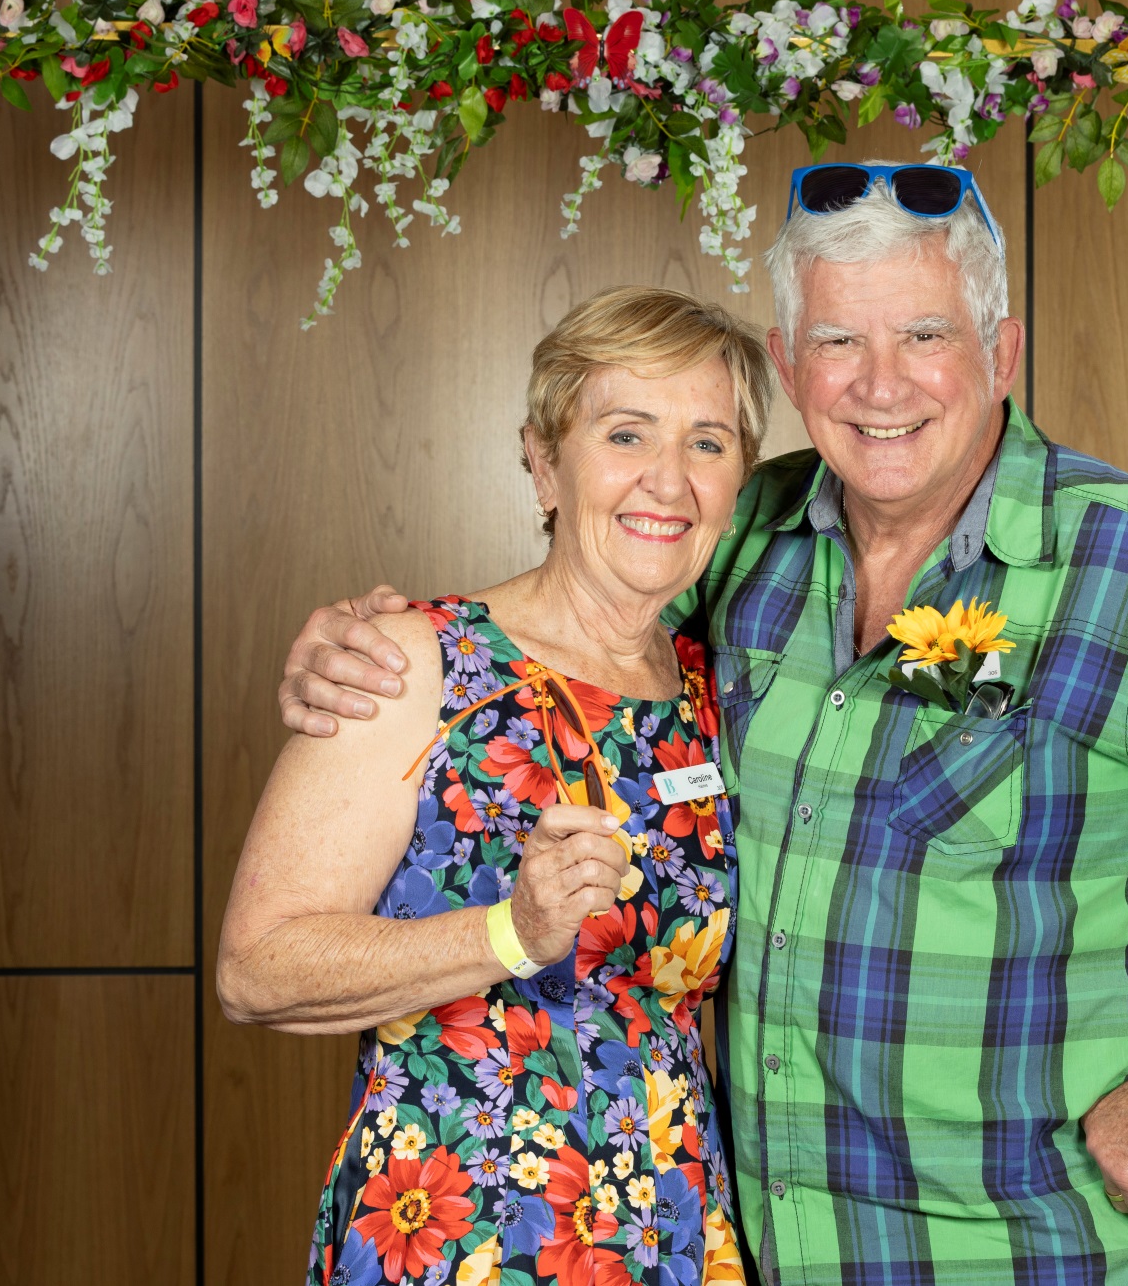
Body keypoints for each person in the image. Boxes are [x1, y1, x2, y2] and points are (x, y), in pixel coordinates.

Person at [273, 163, 1128, 1286]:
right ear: (790, 363)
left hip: (1036, 1253)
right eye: (838, 340)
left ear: (1000, 352)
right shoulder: (743, 536)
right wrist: (381, 647)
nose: (878, 385)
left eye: (924, 337)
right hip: (748, 1252)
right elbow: (567, 628)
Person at [217, 286, 777, 1286]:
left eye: (707, 442)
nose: (668, 480)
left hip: (680, 1236)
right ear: (542, 461)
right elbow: (256, 968)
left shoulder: (715, 688)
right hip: (463, 1229)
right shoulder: (413, 662)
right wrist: (507, 932)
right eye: (625, 433)